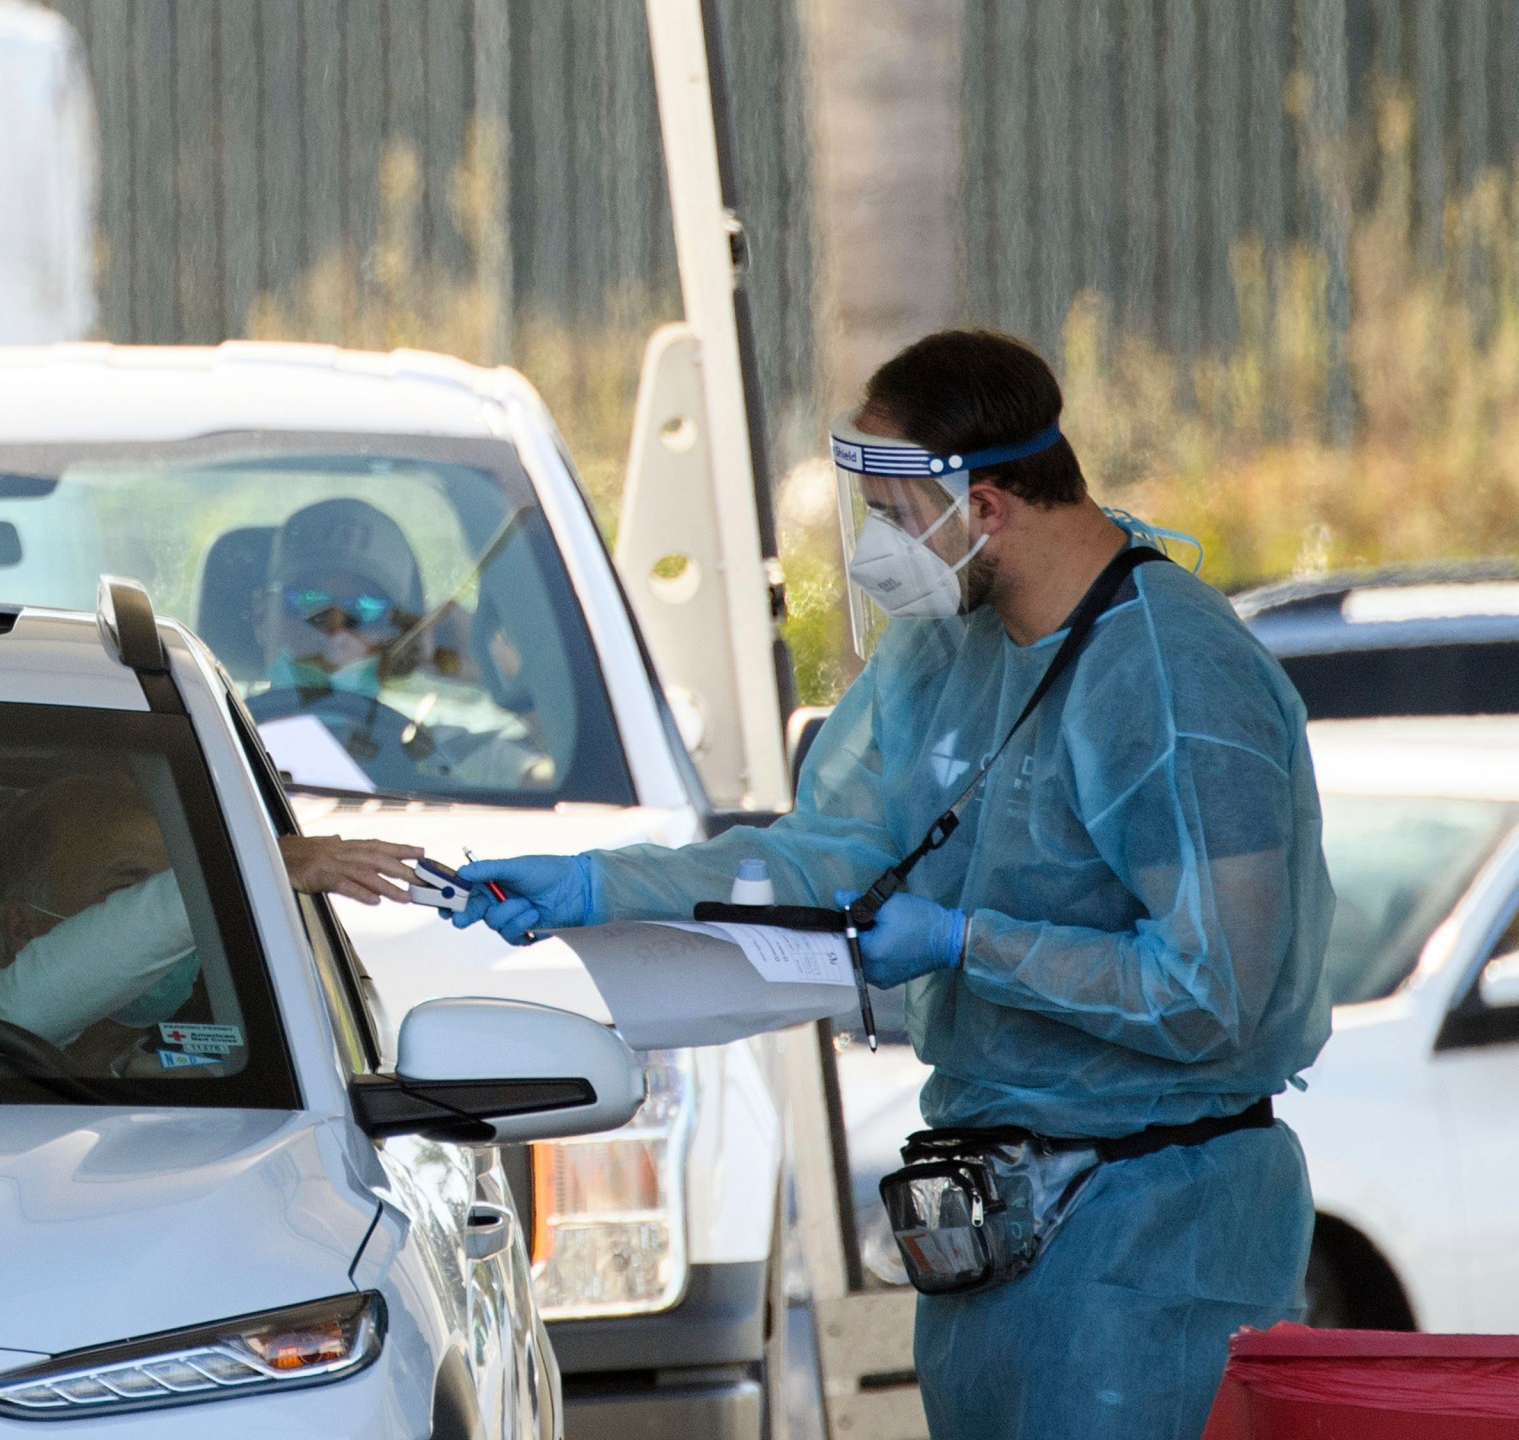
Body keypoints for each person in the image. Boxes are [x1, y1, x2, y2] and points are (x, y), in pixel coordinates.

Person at [452, 330, 1332, 1440]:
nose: (877, 550)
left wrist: (969, 941)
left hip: (1151, 1244)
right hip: (993, 1224)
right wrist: (602, 887)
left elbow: (1215, 991)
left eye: (891, 515)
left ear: (988, 506)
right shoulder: (949, 653)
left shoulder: (1173, 677)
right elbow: (830, 857)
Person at [0, 770, 423, 1066]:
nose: (185, 916)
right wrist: (240, 870)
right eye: (128, 890)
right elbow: (11, 1020)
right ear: (21, 925)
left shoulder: (243, 1035)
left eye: (177, 881)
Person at [248, 497, 550, 789]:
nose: (336, 632)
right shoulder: (210, 738)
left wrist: (495, 664)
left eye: (368, 609)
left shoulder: (451, 756)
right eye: (309, 602)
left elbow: (575, 775)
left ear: (398, 638)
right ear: (262, 615)